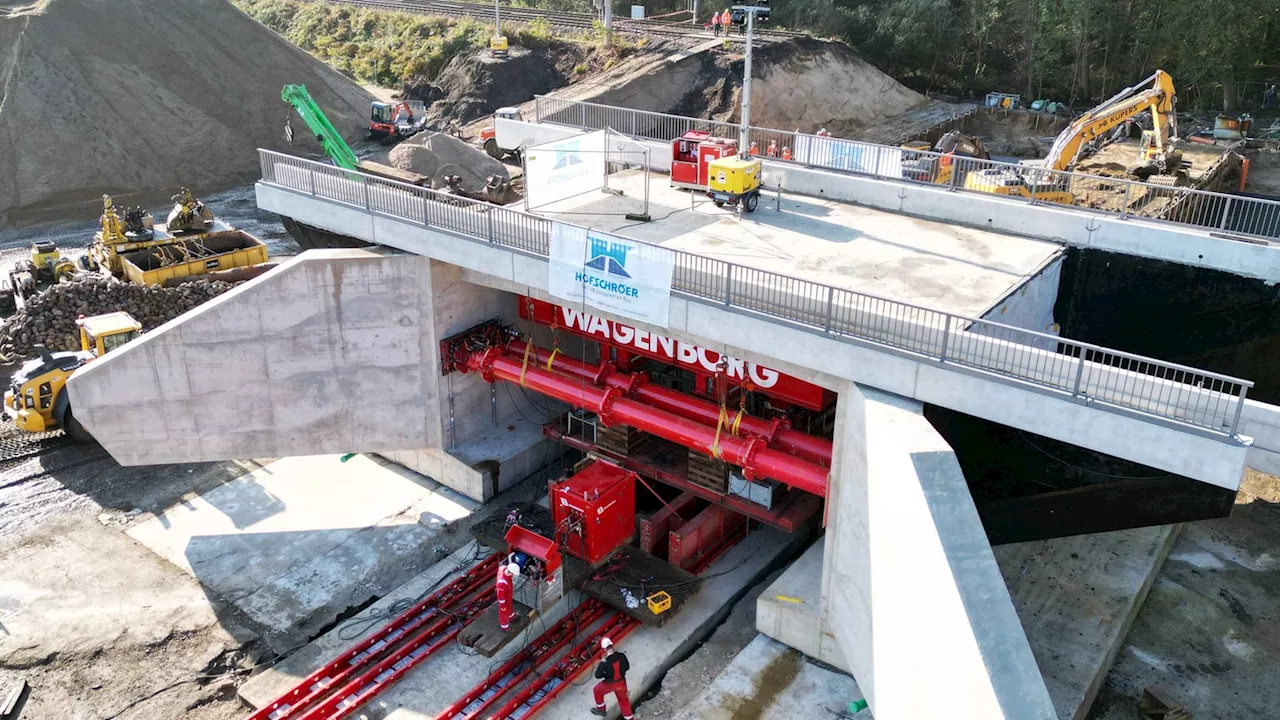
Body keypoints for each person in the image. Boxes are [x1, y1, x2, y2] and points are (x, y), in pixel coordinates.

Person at [591, 637, 633, 719]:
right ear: (612, 645)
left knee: (597, 690)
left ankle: (601, 709)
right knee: (624, 701)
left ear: (604, 649)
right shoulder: (621, 656)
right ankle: (630, 718)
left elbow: (597, 675)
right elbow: (627, 667)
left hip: (609, 685)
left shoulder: (604, 662)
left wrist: (604, 673)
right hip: (621, 684)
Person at [496, 560, 519, 631]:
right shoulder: (502, 583)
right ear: (510, 572)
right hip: (504, 597)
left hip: (508, 594)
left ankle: (510, 615)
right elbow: (500, 595)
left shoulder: (503, 568)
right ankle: (504, 626)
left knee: (509, 605)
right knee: (503, 611)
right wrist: (503, 604)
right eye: (513, 574)